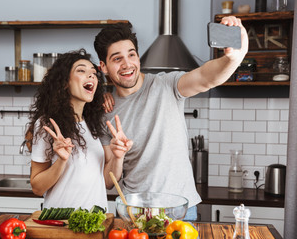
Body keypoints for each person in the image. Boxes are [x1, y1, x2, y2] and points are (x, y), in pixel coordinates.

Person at [94, 16, 248, 221]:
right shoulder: (104, 112)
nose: (127, 64)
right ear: (103, 67)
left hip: (180, 210)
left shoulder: (167, 85)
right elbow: (108, 181)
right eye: (117, 58)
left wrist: (234, 58)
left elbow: (205, 78)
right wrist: (118, 156)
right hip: (135, 211)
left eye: (131, 55)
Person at [26, 49, 133, 210]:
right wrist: (61, 161)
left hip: (96, 222)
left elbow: (107, 182)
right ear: (64, 82)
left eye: (93, 73)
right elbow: (37, 187)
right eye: (81, 70)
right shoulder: (47, 125)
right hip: (61, 223)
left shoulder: (96, 123)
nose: (91, 75)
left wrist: (118, 157)